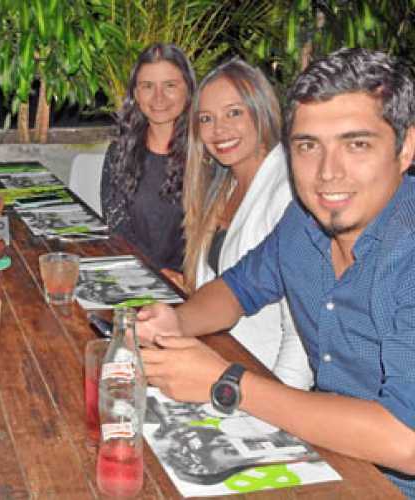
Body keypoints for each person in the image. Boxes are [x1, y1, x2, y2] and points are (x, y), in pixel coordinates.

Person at [137, 48, 415, 498]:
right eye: (308, 146)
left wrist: (226, 382)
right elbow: (237, 288)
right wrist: (178, 321)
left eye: (356, 144)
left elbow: (406, 441)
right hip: (328, 458)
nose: (328, 172)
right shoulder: (304, 223)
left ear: (406, 148)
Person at [181, 59, 312, 389]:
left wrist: (280, 411)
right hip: (217, 363)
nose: (219, 130)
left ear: (262, 112)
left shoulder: (288, 191)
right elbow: (219, 284)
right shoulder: (223, 184)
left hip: (262, 378)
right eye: (206, 119)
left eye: (234, 113)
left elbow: (301, 330)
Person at [99, 43, 195, 274]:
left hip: (192, 290)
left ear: (189, 90)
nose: (158, 97)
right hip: (133, 277)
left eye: (170, 85)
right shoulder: (118, 154)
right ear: (135, 94)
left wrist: (187, 280)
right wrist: (155, 274)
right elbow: (118, 229)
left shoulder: (207, 156)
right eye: (147, 86)